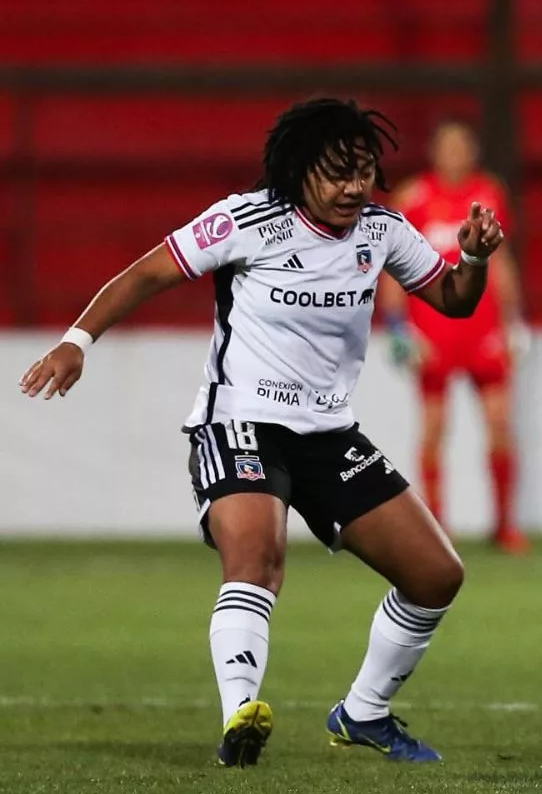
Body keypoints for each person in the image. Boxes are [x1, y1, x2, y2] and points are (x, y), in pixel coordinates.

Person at [18, 98, 505, 768]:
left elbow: (452, 299)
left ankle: (363, 712)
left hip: (328, 433)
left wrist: (472, 260)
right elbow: (148, 272)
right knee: (257, 558)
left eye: (363, 171)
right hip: (240, 420)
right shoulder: (245, 220)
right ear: (300, 172)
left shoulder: (382, 230)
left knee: (436, 574)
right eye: (337, 173)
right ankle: (239, 715)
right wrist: (77, 341)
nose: (353, 187)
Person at [378, 119, 530, 553]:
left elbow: (500, 263)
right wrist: (397, 327)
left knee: (500, 423)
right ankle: (436, 527)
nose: (456, 154)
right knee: (433, 428)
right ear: (435, 151)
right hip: (432, 330)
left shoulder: (488, 195)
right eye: (448, 146)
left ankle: (504, 525)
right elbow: (395, 265)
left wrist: (514, 320)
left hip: (483, 330)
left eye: (463, 146)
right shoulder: (414, 198)